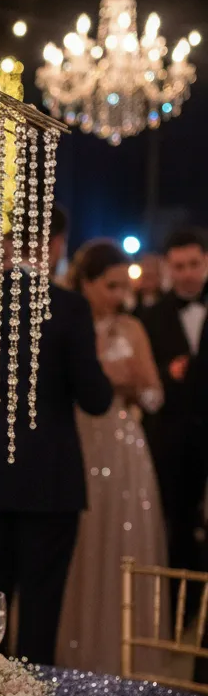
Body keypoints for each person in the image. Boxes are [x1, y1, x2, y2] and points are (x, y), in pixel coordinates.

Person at [0, 265, 113, 665]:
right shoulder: (69, 306)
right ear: (55, 244)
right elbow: (96, 399)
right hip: (49, 480)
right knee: (41, 612)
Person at [56, 240, 168, 675]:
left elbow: (155, 397)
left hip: (121, 445)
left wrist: (136, 381)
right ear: (86, 282)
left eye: (125, 287)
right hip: (78, 436)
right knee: (79, 541)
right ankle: (69, 649)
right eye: (111, 286)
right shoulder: (68, 322)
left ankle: (118, 652)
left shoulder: (132, 328)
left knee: (121, 540)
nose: (120, 296)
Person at [139, 227, 208, 575]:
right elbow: (143, 378)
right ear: (168, 267)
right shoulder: (150, 317)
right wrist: (168, 374)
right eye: (179, 266)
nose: (187, 274)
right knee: (175, 523)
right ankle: (181, 597)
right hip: (171, 437)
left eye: (194, 264)